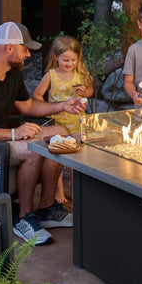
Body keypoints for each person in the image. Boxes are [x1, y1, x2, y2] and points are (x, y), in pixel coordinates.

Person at [0, 22, 88, 245]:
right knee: (34, 149)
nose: (28, 54)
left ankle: (46, 209)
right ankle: (24, 217)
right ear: (9, 48)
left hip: (0, 141)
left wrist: (64, 105)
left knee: (61, 133)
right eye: (25, 49)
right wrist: (14, 134)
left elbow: (28, 107)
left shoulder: (12, 74)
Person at [33, 36, 94, 203]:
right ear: (55, 57)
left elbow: (90, 91)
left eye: (73, 60)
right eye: (65, 60)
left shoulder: (80, 74)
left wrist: (85, 92)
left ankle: (75, 191)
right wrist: (45, 107)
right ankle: (58, 192)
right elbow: (37, 95)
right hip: (58, 125)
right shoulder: (51, 75)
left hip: (77, 125)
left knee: (75, 162)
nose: (69, 64)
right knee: (57, 161)